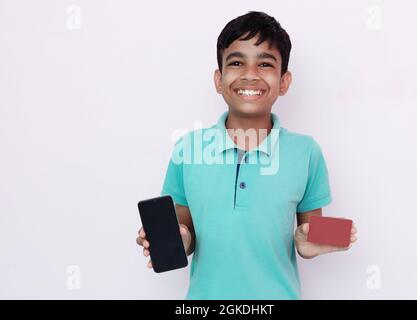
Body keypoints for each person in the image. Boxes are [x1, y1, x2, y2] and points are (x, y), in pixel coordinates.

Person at [136, 11, 357, 299]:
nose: (250, 74)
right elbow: (185, 235)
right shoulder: (187, 150)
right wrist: (178, 239)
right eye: (237, 62)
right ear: (219, 80)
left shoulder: (306, 152)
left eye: (265, 63)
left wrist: (313, 239)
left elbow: (307, 238)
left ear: (284, 81)